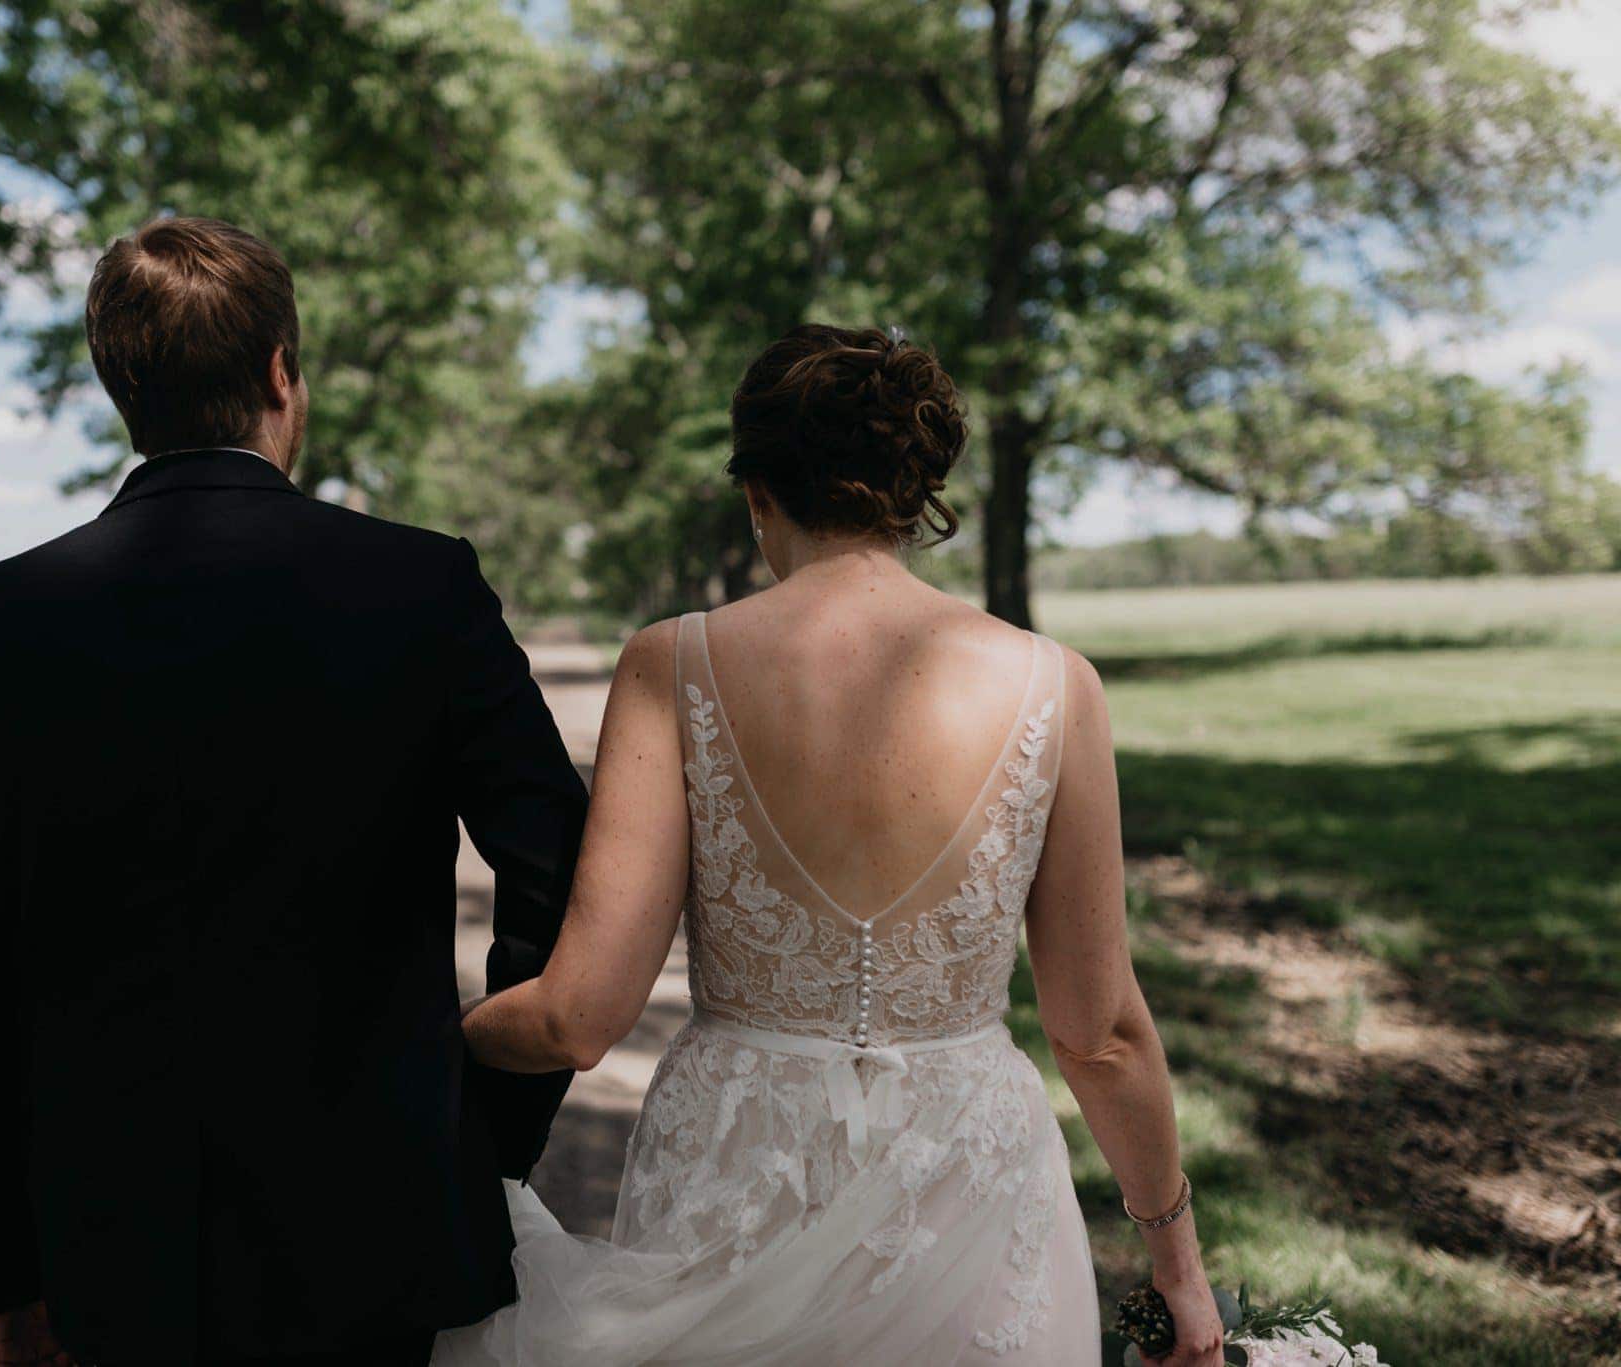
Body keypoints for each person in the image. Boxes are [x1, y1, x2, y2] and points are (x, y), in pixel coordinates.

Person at [438, 325, 1226, 1366]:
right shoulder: (1053, 683)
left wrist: (430, 1043)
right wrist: (1176, 1262)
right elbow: (1098, 1033)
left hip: (735, 1161)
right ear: (913, 495)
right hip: (969, 1184)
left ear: (757, 491)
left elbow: (579, 1013)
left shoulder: (673, 663)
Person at [0, 216, 589, 1366]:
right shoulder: (418, 584)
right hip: (377, 1213)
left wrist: (4, 1276)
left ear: (117, 386)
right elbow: (557, 863)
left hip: (105, 1233)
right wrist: (483, 1128)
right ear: (282, 371)